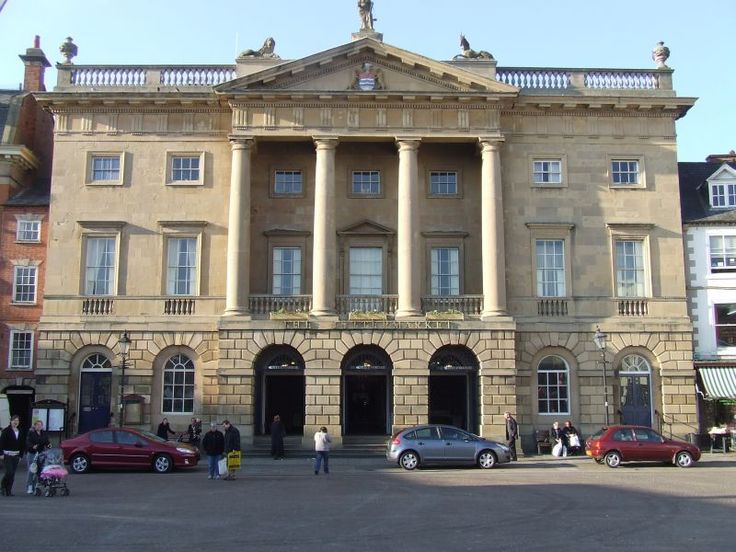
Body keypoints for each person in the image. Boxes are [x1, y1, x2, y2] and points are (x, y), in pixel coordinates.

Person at [0, 415, 24, 496]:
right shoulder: (6, 431)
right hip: (7, 455)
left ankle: (8, 490)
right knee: (9, 472)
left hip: (16, 455)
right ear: (11, 421)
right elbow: (1, 443)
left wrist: (21, 455)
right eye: (14, 420)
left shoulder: (20, 430)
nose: (15, 422)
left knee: (13, 474)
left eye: (17, 420)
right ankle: (3, 485)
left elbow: (22, 444)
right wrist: (1, 454)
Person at [25, 419, 50, 494]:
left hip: (41, 454)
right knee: (32, 470)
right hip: (32, 453)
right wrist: (32, 446)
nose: (39, 426)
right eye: (37, 425)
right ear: (35, 426)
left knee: (39, 470)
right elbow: (28, 442)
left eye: (40, 425)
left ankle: (36, 485)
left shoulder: (43, 433)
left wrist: (49, 445)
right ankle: (29, 487)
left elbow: (47, 442)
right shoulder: (31, 433)